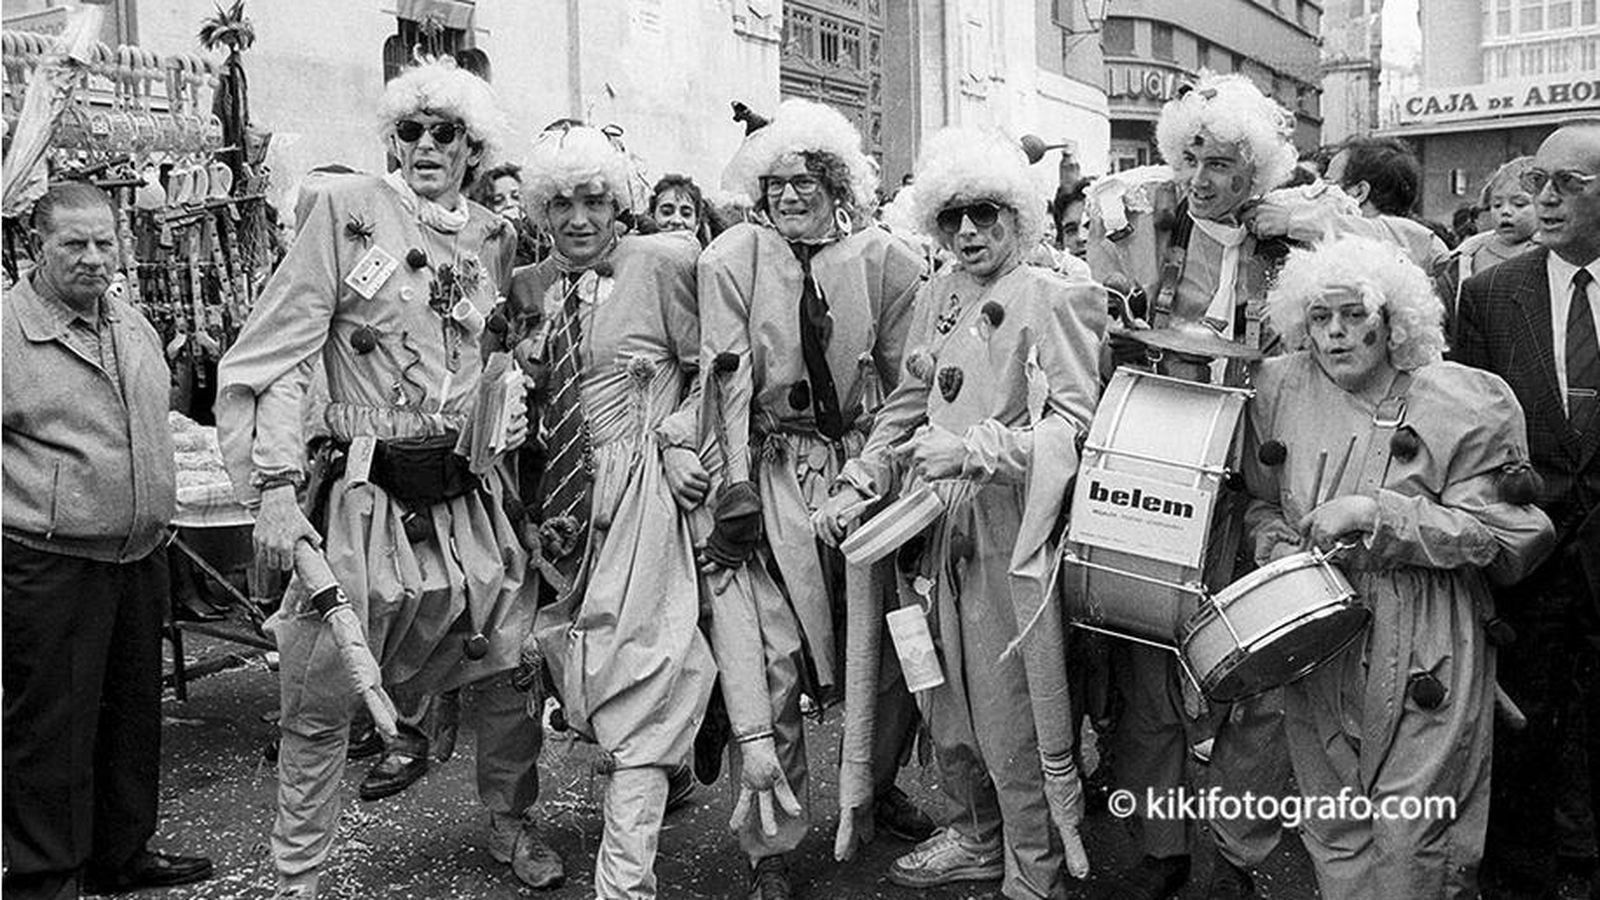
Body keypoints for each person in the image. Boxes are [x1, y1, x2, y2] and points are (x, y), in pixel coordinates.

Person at [215, 61, 559, 898]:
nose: (427, 147)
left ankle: (510, 823)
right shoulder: (345, 212)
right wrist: (273, 485)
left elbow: (489, 354)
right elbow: (280, 358)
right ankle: (300, 873)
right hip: (366, 501)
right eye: (411, 131)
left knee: (513, 660)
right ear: (393, 141)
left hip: (468, 497)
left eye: (447, 134)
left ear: (475, 149)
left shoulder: (492, 234)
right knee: (322, 685)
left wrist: (504, 409)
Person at [819, 126, 1104, 898]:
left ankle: (1033, 870)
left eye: (986, 214)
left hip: (1009, 530)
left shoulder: (1057, 296)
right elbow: (910, 403)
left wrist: (978, 453)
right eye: (953, 219)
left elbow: (1075, 428)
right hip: (928, 525)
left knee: (1013, 714)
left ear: (1020, 216)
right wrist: (864, 473)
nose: (969, 232)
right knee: (937, 696)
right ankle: (978, 834)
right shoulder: (939, 290)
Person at [1247, 233, 1553, 898]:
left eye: (1354, 315)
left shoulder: (1457, 400)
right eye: (1321, 318)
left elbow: (1509, 536)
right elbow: (1261, 505)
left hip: (1425, 641)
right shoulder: (1281, 389)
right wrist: (1275, 545)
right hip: (1317, 634)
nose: (1335, 335)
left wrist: (1373, 514)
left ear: (1394, 322)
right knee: (1335, 831)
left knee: (1413, 844)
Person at [697, 97, 932, 898]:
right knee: (773, 660)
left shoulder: (890, 261)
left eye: (806, 180)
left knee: (895, 648)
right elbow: (724, 378)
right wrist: (732, 485)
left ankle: (875, 782)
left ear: (838, 182)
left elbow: (908, 385)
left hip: (867, 465)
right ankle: (770, 846)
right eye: (776, 183)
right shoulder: (732, 258)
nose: (790, 196)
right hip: (770, 470)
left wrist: (874, 470)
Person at [1084, 71, 1302, 900]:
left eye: (1224, 167)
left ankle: (1238, 851)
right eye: (1193, 159)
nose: (1202, 179)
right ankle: (1162, 845)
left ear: (1260, 176)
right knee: (1151, 656)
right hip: (1159, 460)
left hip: (1257, 475)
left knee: (1252, 664)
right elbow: (1092, 295)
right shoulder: (1143, 226)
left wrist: (1311, 216)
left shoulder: (1295, 241)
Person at [502, 124, 716, 899]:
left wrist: (683, 440)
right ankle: (672, 774)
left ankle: (624, 885)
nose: (579, 218)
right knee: (572, 661)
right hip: (559, 507)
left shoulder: (665, 261)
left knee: (641, 678)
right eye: (561, 203)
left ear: (620, 203)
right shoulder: (531, 285)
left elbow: (712, 370)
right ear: (540, 211)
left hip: (642, 497)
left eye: (595, 200)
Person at [2, 182, 215, 900]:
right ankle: (47, 876)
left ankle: (121, 855)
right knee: (52, 731)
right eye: (75, 245)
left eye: (104, 243)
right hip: (50, 561)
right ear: (37, 246)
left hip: (137, 555)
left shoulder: (127, 321)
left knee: (132, 715)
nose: (95, 259)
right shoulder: (8, 331)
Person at [1455, 119, 1600, 900]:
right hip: (1529, 560)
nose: (1544, 198)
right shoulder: (1488, 295)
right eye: (1538, 181)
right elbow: (1469, 434)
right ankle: (1519, 881)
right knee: (1523, 733)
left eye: (1567, 184)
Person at [1321, 135, 1451, 273]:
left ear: (1360, 192)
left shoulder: (1347, 270)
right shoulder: (1424, 256)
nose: (1319, 191)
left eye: (1328, 183)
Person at [1438, 157, 1538, 315]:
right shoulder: (1469, 255)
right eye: (1497, 205)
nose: (1505, 211)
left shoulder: (1555, 252)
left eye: (1519, 204)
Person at [648, 173, 713, 246]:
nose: (677, 221)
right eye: (667, 212)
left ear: (697, 224)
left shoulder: (712, 256)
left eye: (686, 214)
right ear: (651, 218)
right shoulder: (634, 254)